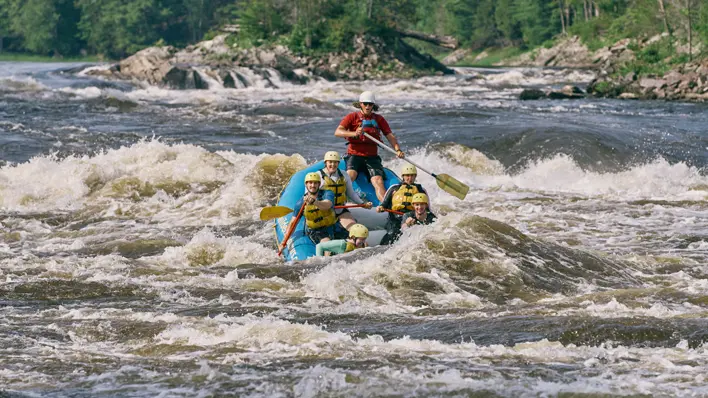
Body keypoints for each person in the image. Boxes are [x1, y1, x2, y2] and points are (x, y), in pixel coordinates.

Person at [334, 91, 405, 202]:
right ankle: (338, 200)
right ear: (360, 104)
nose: (367, 106)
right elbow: (338, 132)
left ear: (373, 105)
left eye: (370, 104)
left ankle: (385, 208)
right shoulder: (352, 117)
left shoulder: (379, 119)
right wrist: (354, 133)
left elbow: (389, 135)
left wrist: (398, 149)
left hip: (372, 157)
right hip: (354, 155)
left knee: (378, 181)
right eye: (365, 103)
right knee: (350, 175)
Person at [319, 151, 373, 236]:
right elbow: (311, 194)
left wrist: (363, 203)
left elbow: (351, 193)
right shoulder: (317, 176)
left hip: (340, 209)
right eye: (330, 162)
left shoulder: (344, 175)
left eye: (335, 162)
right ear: (325, 162)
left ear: (338, 163)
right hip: (324, 211)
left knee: (356, 232)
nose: (333, 165)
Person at [376, 164, 429, 245]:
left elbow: (427, 209)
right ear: (403, 176)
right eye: (407, 175)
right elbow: (384, 204)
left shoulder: (421, 190)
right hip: (395, 219)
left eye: (412, 176)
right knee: (392, 233)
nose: (410, 178)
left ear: (415, 176)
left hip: (412, 218)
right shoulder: (394, 188)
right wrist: (380, 208)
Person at [292, 172, 337, 245]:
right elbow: (293, 223)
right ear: (306, 184)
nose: (313, 185)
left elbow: (328, 205)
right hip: (316, 231)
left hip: (332, 226)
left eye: (315, 183)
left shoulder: (327, 193)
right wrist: (284, 242)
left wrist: (314, 202)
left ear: (319, 184)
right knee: (327, 243)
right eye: (310, 183)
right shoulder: (300, 203)